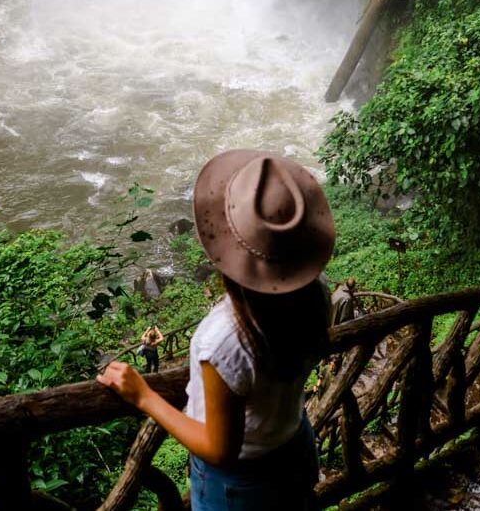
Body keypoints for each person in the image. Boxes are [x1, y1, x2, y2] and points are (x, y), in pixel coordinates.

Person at [98, 150, 335, 510]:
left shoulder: (226, 338)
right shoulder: (317, 293)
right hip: (293, 447)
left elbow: (219, 450)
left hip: (242, 486)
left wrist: (144, 396)